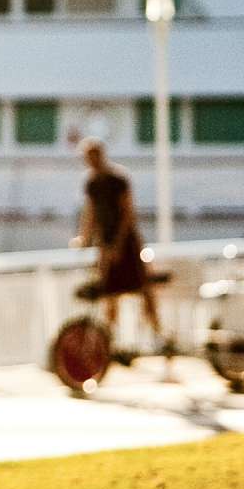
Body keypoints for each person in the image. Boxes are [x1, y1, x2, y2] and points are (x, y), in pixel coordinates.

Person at [76, 140, 162, 343]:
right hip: (106, 243)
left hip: (126, 243)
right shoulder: (92, 183)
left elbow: (127, 214)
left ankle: (158, 333)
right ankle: (109, 342)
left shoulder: (117, 179)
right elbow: (90, 213)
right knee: (109, 292)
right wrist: (85, 238)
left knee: (142, 288)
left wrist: (117, 244)